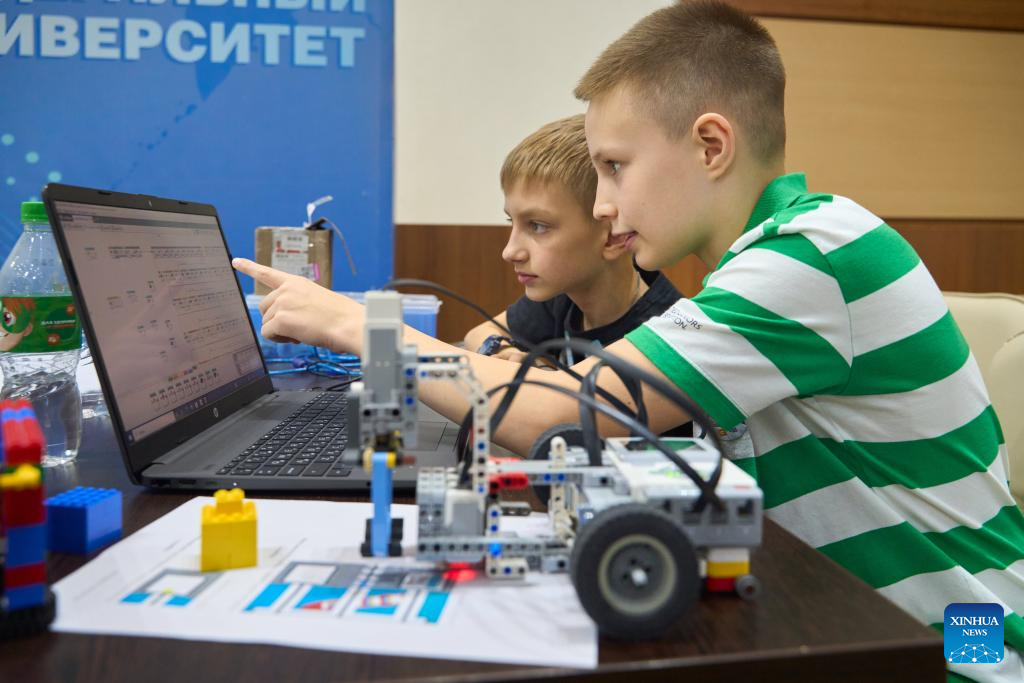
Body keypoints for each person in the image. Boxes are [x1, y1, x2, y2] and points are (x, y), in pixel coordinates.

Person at [234, 3, 1023, 679]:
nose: (604, 204)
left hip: (963, 649)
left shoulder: (813, 255)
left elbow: (561, 410)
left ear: (710, 146)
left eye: (615, 166)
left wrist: (358, 327)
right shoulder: (762, 266)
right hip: (856, 623)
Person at [463, 114, 681, 366]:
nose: (510, 252)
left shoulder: (666, 337)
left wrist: (539, 373)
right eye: (512, 221)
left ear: (613, 237)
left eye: (538, 226)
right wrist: (505, 352)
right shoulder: (564, 294)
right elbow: (477, 334)